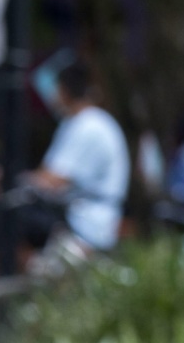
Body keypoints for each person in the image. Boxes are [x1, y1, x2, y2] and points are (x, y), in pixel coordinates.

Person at [30, 60, 129, 251]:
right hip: (80, 218)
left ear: (63, 91)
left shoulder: (88, 125)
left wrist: (16, 180)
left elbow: (53, 179)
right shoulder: (75, 122)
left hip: (87, 224)